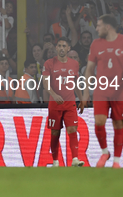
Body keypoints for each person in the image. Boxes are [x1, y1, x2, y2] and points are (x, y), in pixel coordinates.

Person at [81, 14, 123, 168]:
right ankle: (105, 152)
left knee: (118, 124)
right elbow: (89, 69)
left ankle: (117, 162)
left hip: (119, 90)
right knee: (99, 121)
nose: (96, 28)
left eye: (99, 25)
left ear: (107, 27)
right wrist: (86, 92)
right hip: (101, 90)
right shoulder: (95, 44)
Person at [42, 37, 85, 167]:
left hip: (70, 102)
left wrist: (81, 99)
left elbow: (76, 83)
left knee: (72, 129)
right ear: (56, 48)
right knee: (55, 132)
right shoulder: (49, 63)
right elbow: (45, 83)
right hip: (55, 104)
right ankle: (55, 161)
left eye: (64, 46)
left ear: (68, 48)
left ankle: (75, 159)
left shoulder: (74, 64)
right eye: (59, 46)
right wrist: (54, 95)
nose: (61, 48)